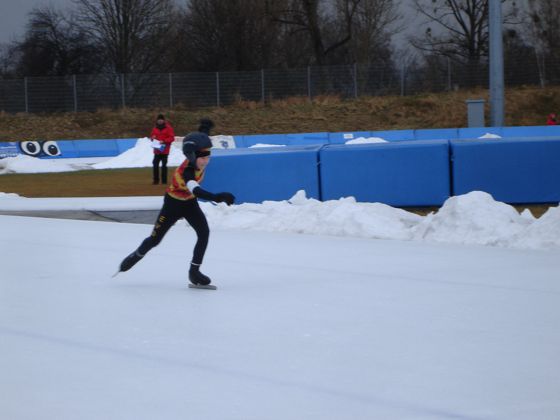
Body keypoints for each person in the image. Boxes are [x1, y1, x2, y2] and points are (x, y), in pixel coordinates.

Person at [118, 118, 235, 286]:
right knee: (155, 240)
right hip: (172, 205)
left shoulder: (197, 155)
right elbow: (197, 191)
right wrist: (218, 197)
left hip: (189, 204)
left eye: (208, 156)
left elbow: (199, 141)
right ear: (191, 156)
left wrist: (204, 129)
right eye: (202, 158)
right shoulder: (187, 172)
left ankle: (194, 272)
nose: (206, 161)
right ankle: (135, 256)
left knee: (204, 233)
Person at [150, 114, 175, 184]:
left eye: (161, 120)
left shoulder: (169, 128)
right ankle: (156, 180)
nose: (160, 121)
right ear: (157, 121)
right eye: (159, 120)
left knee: (164, 165)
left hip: (165, 150)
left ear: (164, 120)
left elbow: (172, 138)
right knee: (155, 164)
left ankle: (164, 181)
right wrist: (152, 138)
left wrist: (164, 141)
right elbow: (151, 137)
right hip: (157, 150)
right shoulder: (154, 128)